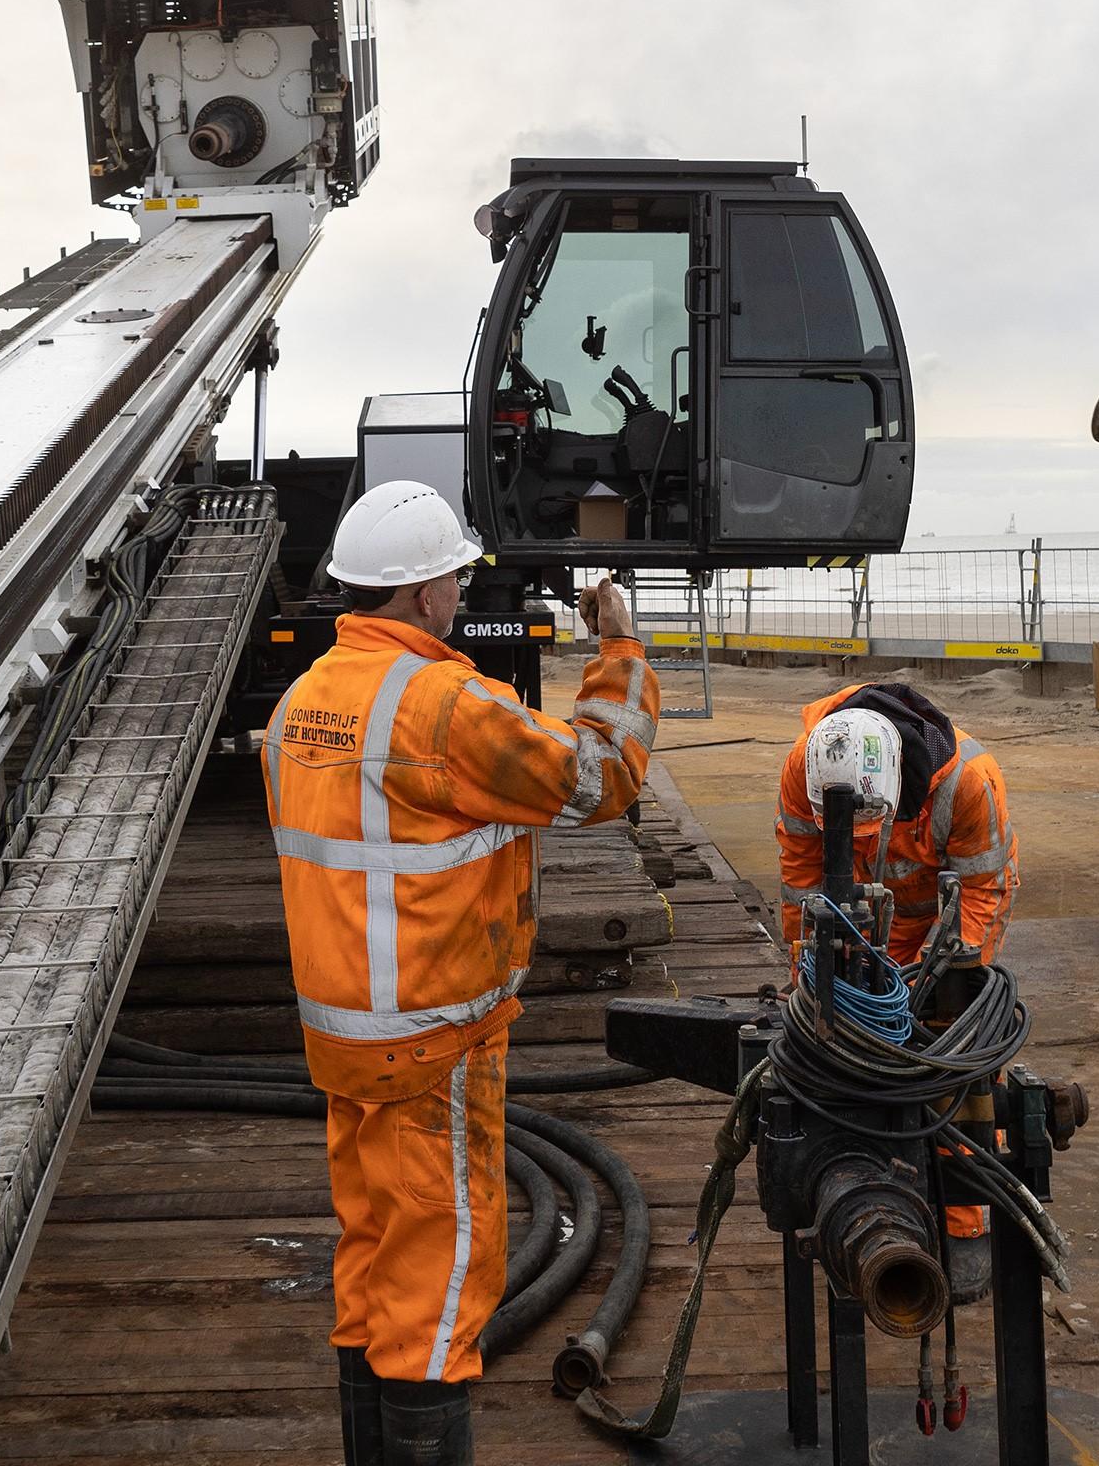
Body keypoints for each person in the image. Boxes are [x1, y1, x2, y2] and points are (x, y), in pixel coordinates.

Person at [266, 481, 658, 1466]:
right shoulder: (448, 708)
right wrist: (618, 649)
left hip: (345, 1041)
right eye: (453, 572)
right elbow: (602, 777)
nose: (457, 588)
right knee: (442, 1290)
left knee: (372, 1266)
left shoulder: (301, 702)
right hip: (433, 1044)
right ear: (428, 589)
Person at [776, 681, 1018, 1298]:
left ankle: (963, 1231)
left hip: (942, 940)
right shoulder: (809, 764)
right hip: (855, 932)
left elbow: (982, 894)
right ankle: (855, 1203)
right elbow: (803, 878)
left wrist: (932, 993)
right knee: (840, 1068)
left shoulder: (969, 782)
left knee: (948, 1077)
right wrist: (810, 975)